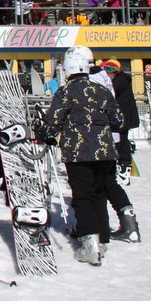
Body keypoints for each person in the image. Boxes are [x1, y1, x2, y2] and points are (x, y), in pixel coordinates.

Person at [38, 45, 123, 266]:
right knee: (100, 192)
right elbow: (119, 120)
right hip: (104, 151)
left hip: (78, 151)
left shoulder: (66, 92)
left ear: (66, 70)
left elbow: (52, 121)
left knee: (83, 195)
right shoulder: (101, 90)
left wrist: (45, 133)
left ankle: (89, 243)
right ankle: (103, 238)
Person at [101, 60, 141, 243]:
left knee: (122, 146)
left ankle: (124, 166)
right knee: (110, 182)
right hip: (120, 121)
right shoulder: (119, 81)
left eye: (109, 69)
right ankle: (128, 224)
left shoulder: (120, 82)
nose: (107, 72)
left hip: (121, 121)